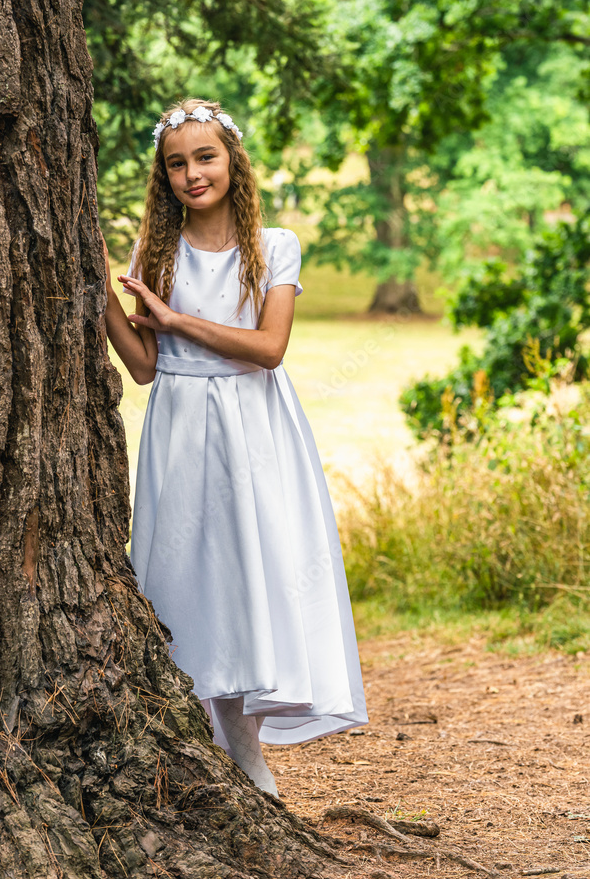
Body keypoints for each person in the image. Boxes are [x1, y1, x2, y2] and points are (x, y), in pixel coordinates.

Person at [102, 98, 368, 798]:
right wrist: (101, 288)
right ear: (164, 176)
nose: (192, 173)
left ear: (232, 161)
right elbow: (143, 364)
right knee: (190, 576)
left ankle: (247, 751)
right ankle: (199, 737)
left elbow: (269, 348)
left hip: (254, 427)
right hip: (182, 423)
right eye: (177, 163)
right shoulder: (155, 252)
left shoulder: (272, 245)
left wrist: (174, 320)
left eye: (205, 157)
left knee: (251, 572)